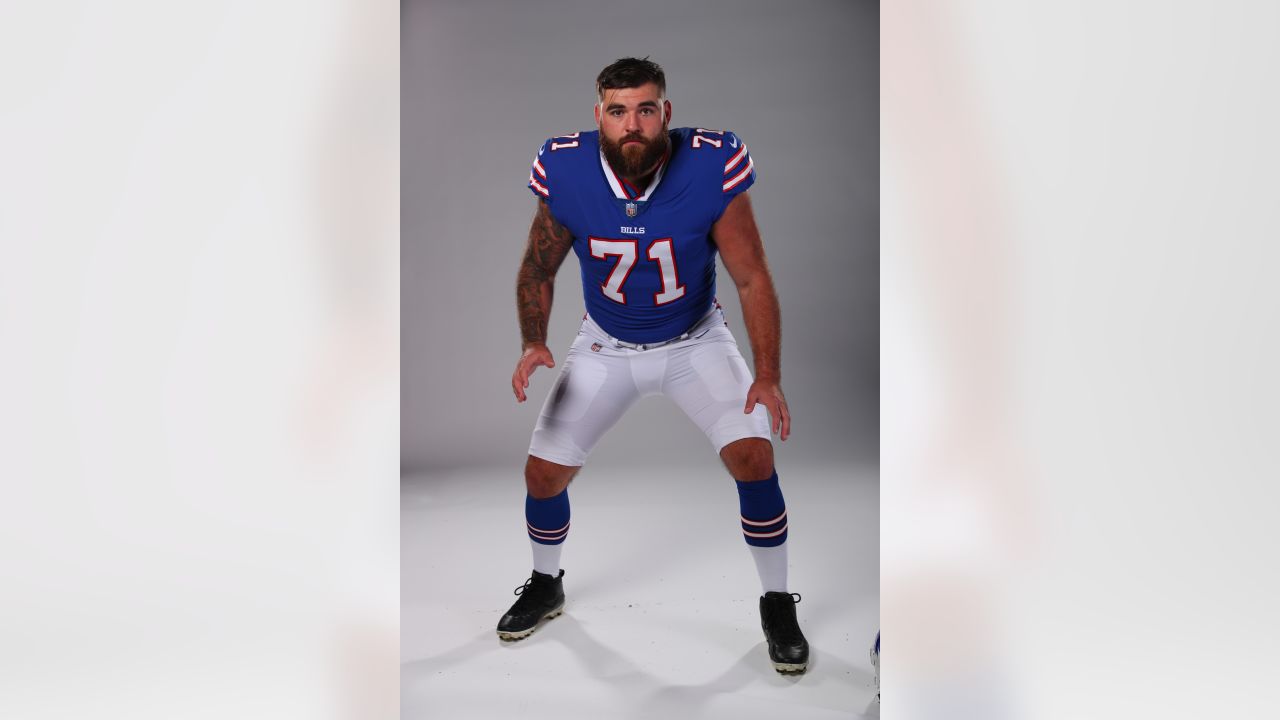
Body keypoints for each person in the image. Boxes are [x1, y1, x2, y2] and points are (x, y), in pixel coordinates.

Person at [498, 57, 808, 674]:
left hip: (696, 339)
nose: (631, 125)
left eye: (645, 109)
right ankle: (545, 583)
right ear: (599, 117)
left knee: (754, 456)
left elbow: (751, 277)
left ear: (666, 111)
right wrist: (534, 340)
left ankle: (777, 600)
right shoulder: (564, 168)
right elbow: (538, 266)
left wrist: (768, 374)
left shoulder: (711, 163)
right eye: (617, 112)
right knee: (541, 475)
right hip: (605, 344)